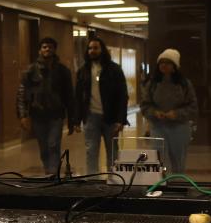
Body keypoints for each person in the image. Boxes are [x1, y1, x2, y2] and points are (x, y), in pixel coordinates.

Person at [16, 36, 75, 176]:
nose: (47, 49)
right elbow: (21, 93)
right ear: (40, 50)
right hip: (38, 114)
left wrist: (72, 119)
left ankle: (53, 171)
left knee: (53, 143)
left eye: (50, 46)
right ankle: (48, 168)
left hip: (56, 114)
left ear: (54, 49)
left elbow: (69, 96)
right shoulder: (31, 70)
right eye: (44, 47)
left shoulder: (62, 71)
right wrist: (23, 115)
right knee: (43, 146)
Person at [73, 36, 129, 176]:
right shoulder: (83, 71)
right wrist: (76, 119)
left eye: (96, 48)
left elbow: (123, 95)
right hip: (90, 117)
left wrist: (120, 119)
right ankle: (92, 180)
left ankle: (114, 179)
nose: (92, 51)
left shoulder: (114, 70)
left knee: (112, 152)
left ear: (102, 50)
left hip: (110, 117)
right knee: (91, 151)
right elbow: (78, 97)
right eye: (90, 48)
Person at [140, 48, 198, 174]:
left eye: (167, 63)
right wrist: (155, 113)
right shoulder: (152, 84)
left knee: (178, 162)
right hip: (158, 127)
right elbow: (145, 106)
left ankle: (178, 186)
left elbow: (193, 107)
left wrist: (176, 114)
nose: (163, 65)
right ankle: (161, 186)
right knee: (159, 160)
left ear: (175, 66)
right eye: (161, 62)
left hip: (179, 128)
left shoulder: (184, 84)